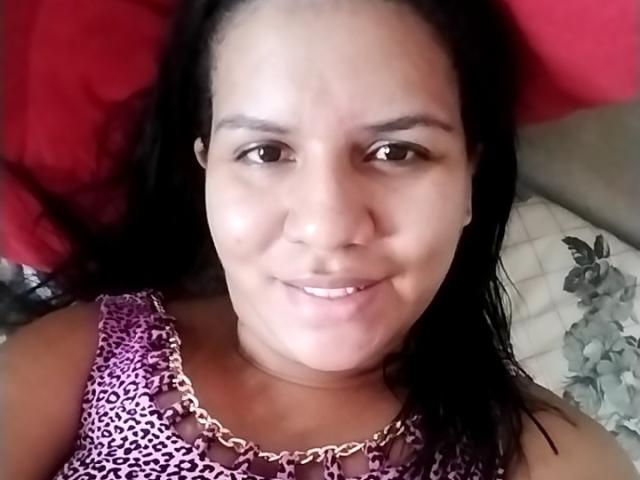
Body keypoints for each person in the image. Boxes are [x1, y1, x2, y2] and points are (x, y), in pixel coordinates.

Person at [1, 0, 637, 479]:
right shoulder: (85, 359)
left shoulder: (546, 458)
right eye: (265, 152)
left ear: (470, 179)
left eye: (397, 152)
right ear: (205, 171)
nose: (327, 226)